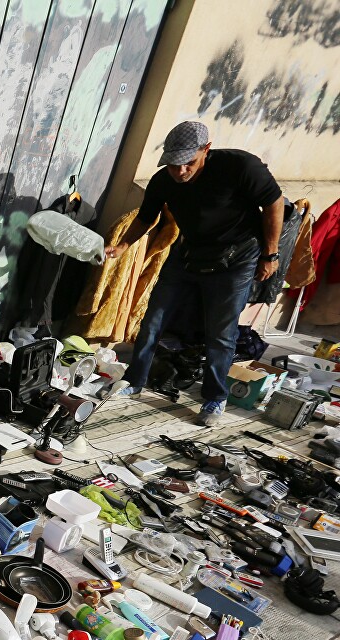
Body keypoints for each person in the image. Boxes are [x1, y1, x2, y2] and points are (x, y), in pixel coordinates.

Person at [103, 120, 284, 426]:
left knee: (220, 332)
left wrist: (271, 253)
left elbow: (274, 203)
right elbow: (147, 217)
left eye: (189, 163)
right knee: (152, 321)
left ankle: (215, 397)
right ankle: (134, 382)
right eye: (174, 165)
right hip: (188, 255)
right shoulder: (164, 181)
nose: (181, 172)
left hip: (235, 260)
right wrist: (122, 246)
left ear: (206, 150)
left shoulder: (240, 166)